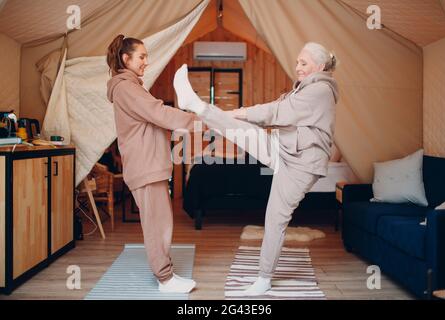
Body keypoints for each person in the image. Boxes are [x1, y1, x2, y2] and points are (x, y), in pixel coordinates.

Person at [173, 42, 339, 295]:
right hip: (285, 151)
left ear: (320, 66)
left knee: (275, 219)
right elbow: (277, 109)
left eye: (303, 63)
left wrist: (240, 111)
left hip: (300, 164)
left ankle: (264, 278)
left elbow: (277, 111)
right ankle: (197, 105)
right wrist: (237, 115)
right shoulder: (304, 89)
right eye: (297, 62)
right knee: (244, 132)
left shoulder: (321, 91)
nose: (297, 67)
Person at [106, 35, 198, 293]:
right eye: (142, 56)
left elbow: (153, 119)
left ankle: (166, 273)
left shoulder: (131, 87)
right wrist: (197, 117)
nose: (146, 61)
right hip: (144, 166)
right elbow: (158, 113)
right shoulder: (126, 88)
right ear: (126, 59)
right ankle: (165, 279)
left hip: (149, 165)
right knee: (157, 224)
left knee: (161, 221)